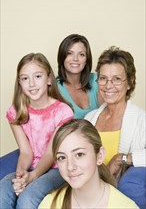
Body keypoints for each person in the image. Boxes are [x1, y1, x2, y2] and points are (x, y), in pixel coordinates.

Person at [0, 53, 74, 209]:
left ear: (48, 79)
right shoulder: (16, 112)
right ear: (19, 83)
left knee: (28, 198)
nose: (31, 84)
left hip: (56, 168)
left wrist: (32, 176)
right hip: (31, 166)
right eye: (25, 78)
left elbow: (50, 154)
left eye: (37, 76)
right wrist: (21, 175)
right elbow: (26, 152)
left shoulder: (63, 112)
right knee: (4, 189)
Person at [85, 46, 146, 209]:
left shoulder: (141, 120)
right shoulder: (89, 119)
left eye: (117, 79)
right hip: (88, 194)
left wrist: (122, 158)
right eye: (103, 78)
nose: (108, 85)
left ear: (129, 83)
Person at [39, 119, 139, 209]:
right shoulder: (49, 204)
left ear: (99, 156)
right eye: (62, 157)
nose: (70, 167)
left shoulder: (126, 206)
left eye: (79, 154)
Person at [56, 34, 103, 119]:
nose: (75, 59)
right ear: (62, 57)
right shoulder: (54, 87)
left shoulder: (96, 81)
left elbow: (108, 114)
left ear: (86, 60)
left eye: (81, 54)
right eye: (69, 53)